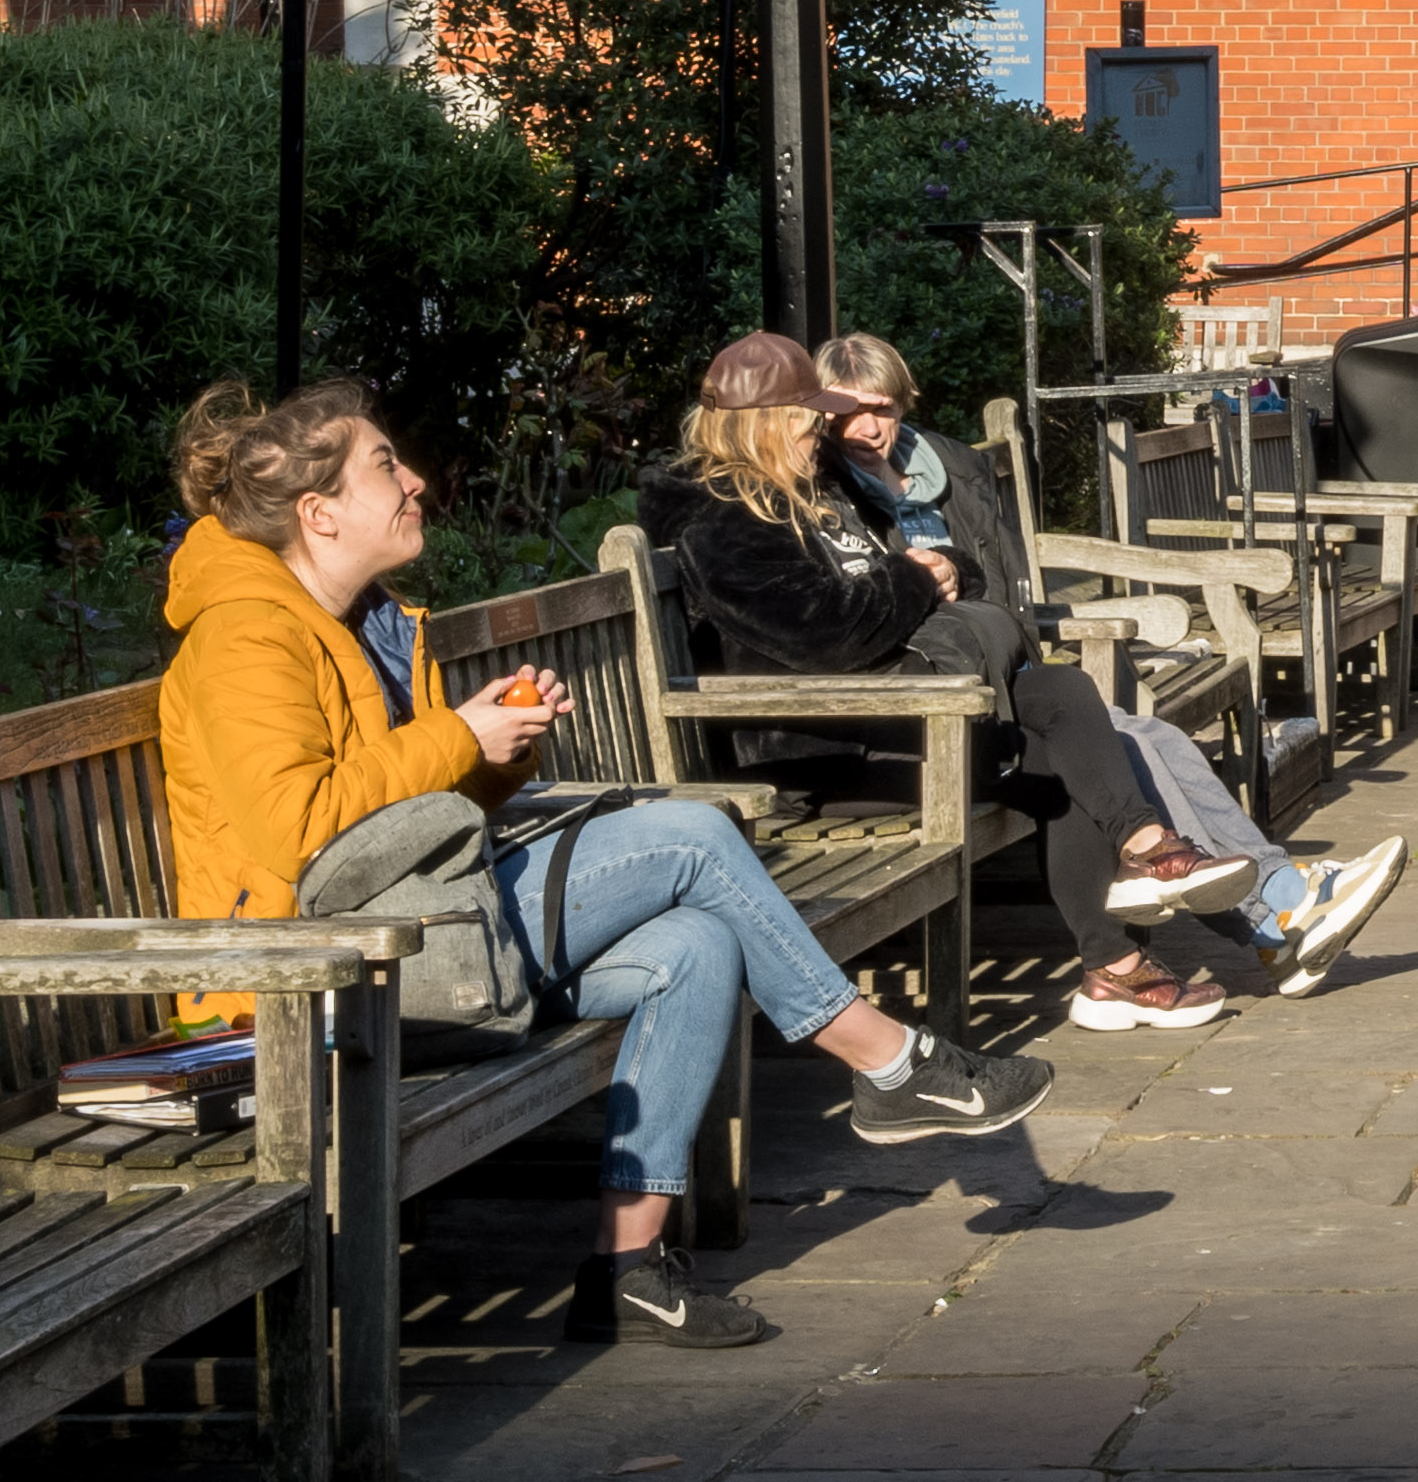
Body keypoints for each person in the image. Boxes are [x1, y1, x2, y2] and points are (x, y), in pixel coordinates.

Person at [157, 377, 1040, 1352]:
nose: (414, 478)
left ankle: (629, 1266)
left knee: (697, 943)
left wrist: (498, 748)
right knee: (693, 835)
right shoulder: (247, 634)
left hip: (414, 931)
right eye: (384, 465)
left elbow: (411, 817)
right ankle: (887, 1058)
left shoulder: (367, 622)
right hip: (303, 983)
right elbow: (300, 829)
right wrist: (458, 733)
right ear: (319, 513)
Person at [630, 334, 1402, 1031]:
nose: (823, 438)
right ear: (766, 426)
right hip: (823, 748)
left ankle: (1144, 880)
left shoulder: (793, 490)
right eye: (810, 424)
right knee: (1080, 753)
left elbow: (950, 576)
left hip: (896, 712)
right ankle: (1152, 937)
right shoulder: (725, 516)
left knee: (1068, 703)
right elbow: (826, 633)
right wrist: (913, 580)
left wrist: (929, 579)